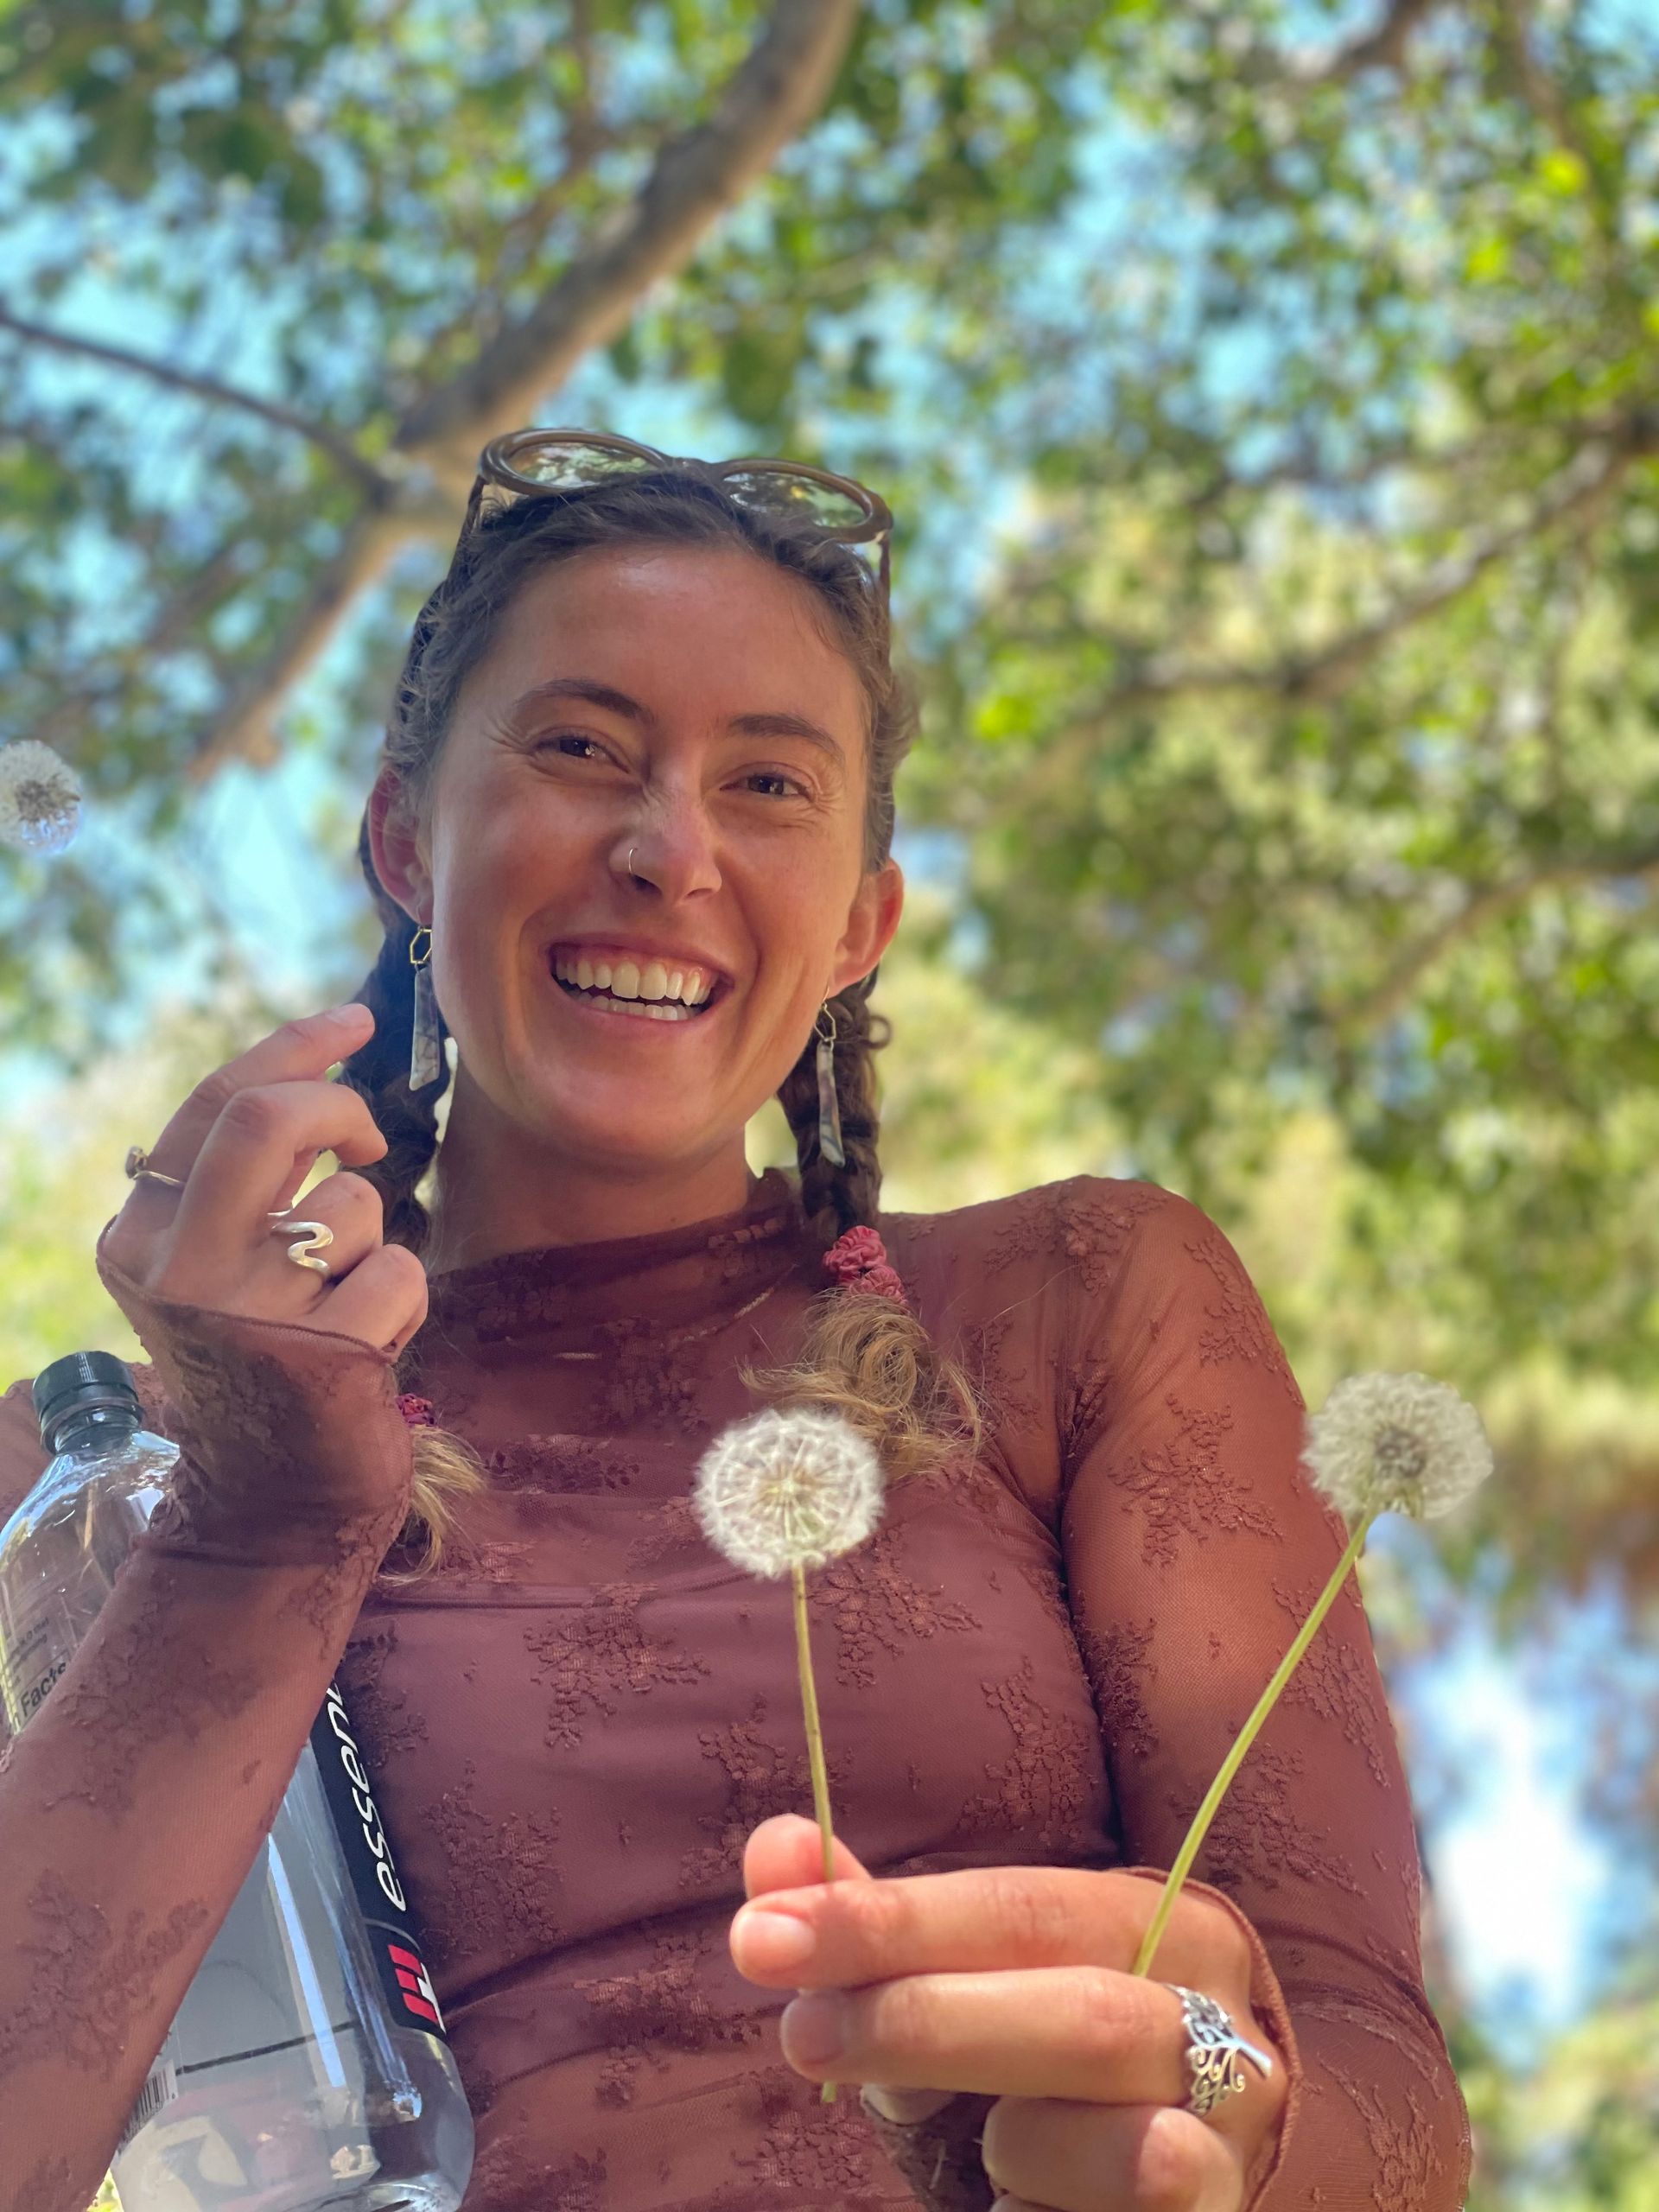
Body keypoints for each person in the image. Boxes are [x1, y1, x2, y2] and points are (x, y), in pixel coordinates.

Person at [0, 430, 1471, 2212]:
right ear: (405, 836)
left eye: (768, 784)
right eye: (578, 747)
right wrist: (257, 1523)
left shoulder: (1086, 1304)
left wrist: (1224, 2121)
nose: (666, 844)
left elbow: (1379, 2074)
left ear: (863, 920)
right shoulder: (85, 1471)